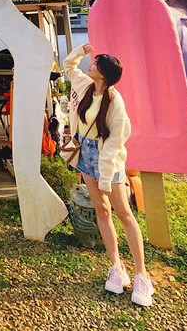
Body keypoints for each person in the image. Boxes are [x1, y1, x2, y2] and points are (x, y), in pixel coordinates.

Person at [62, 42, 154, 307]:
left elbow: (115, 142)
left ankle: (141, 274)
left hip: (108, 159)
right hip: (86, 154)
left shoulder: (115, 103)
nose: (90, 64)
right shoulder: (85, 85)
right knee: (102, 210)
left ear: (103, 73)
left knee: (124, 213)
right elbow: (68, 65)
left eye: (95, 63)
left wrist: (105, 177)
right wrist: (81, 50)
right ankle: (116, 266)